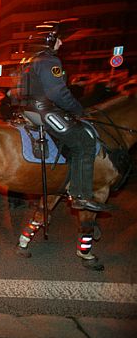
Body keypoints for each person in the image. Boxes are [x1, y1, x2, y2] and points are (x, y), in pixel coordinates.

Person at [21, 22, 112, 212]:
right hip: (45, 112)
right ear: (49, 41)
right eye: (58, 39)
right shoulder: (49, 61)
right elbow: (58, 94)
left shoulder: (31, 61)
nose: (61, 43)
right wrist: (78, 110)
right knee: (85, 141)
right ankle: (80, 195)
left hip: (31, 109)